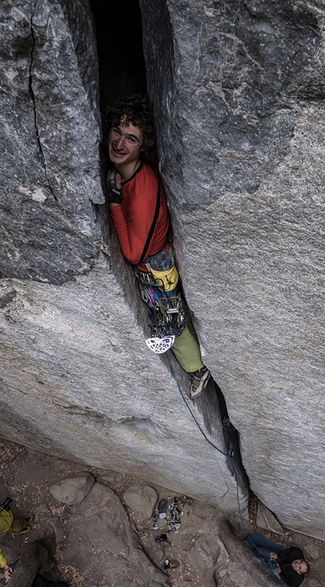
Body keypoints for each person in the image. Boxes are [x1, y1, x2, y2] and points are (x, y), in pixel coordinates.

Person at [106, 95, 211, 400]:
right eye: (117, 131)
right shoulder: (135, 172)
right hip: (157, 259)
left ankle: (197, 371)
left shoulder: (141, 191)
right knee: (170, 317)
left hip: (153, 267)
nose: (120, 143)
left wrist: (114, 204)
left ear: (142, 146)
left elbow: (132, 254)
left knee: (171, 323)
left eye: (131, 139)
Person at [0, 504, 33, 580]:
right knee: (14, 525)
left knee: (12, 522)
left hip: (3, 516)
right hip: (4, 522)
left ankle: (21, 525)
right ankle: (21, 527)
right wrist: (5, 565)